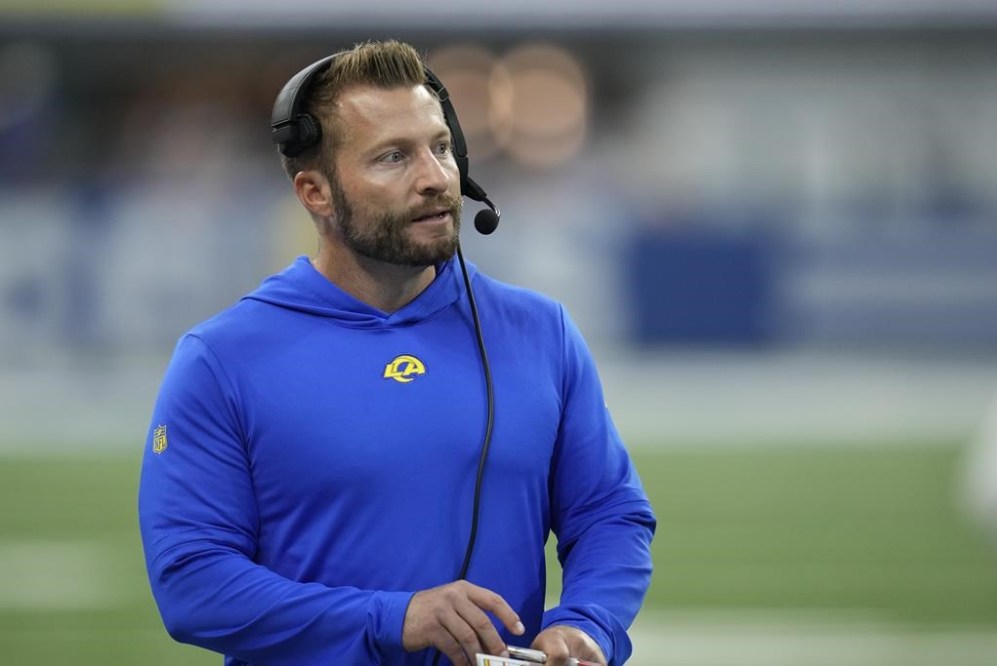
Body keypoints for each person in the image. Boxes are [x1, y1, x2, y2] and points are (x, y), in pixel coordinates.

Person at [138, 39, 655, 666]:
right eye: (392, 157)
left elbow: (609, 512)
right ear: (315, 193)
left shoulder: (539, 331)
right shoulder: (221, 360)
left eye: (441, 147)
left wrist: (587, 622)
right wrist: (392, 617)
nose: (436, 178)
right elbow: (193, 584)